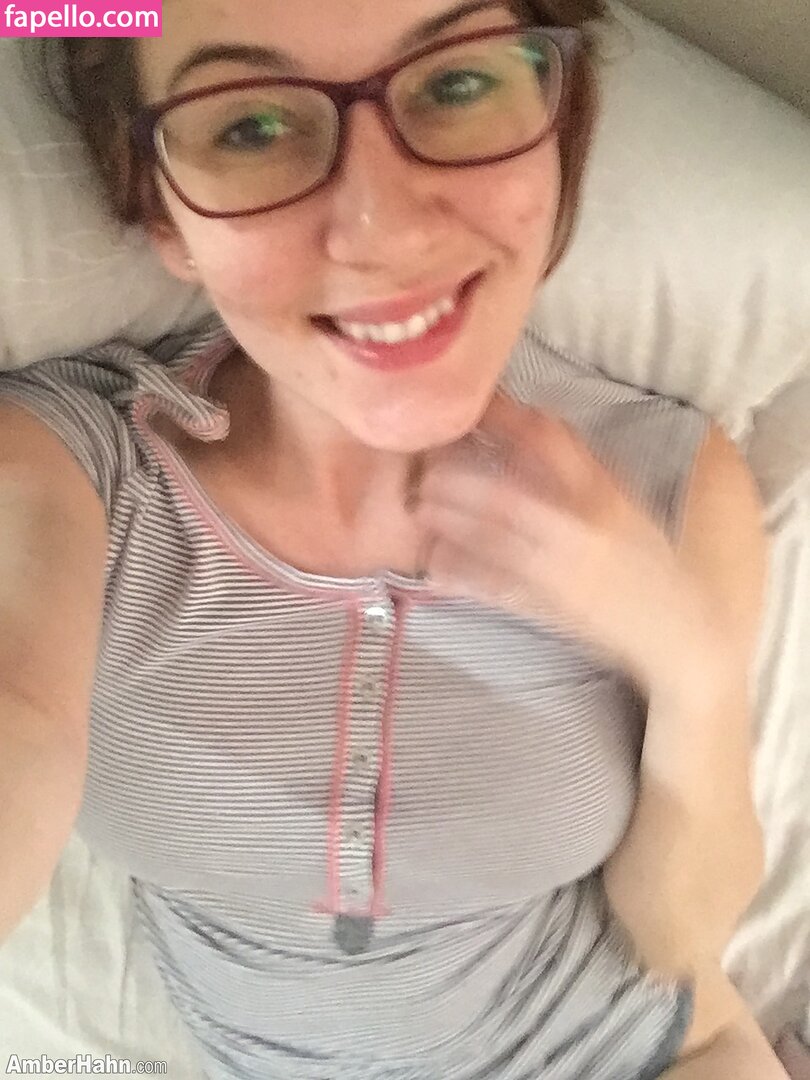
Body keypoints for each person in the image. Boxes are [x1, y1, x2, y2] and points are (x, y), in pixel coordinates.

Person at [0, 0, 788, 1076]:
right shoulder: (73, 469)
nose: (383, 228)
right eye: (251, 127)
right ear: (164, 214)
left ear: (559, 126)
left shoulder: (672, 483)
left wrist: (685, 658)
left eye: (455, 85)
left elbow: (678, 943)